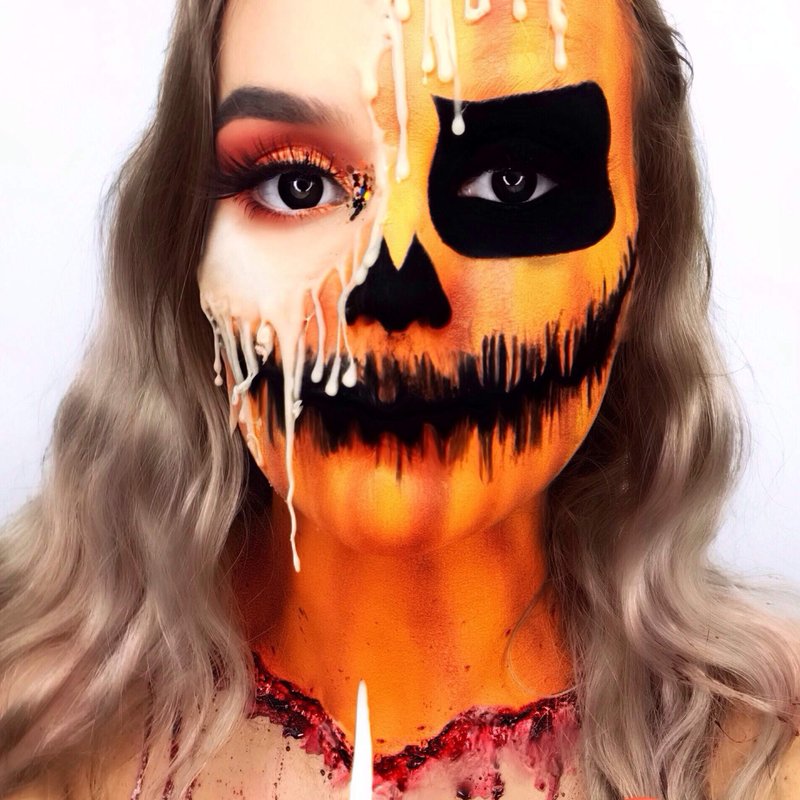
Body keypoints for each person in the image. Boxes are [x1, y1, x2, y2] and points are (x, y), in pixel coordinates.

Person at [1, 0, 799, 798]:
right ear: (187, 247)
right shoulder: (35, 732)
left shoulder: (764, 766)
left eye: (512, 184)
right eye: (297, 184)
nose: (389, 288)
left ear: (640, 259)